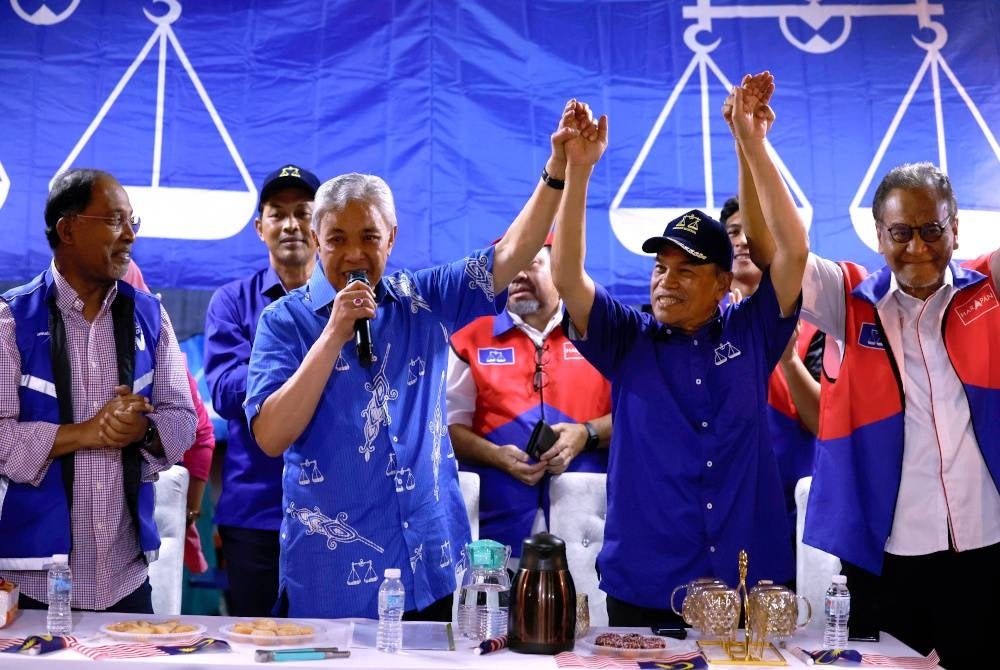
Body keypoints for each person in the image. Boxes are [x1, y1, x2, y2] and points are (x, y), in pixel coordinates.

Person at [245, 100, 607, 620]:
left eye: (369, 237)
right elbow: (271, 436)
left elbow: (513, 251)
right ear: (316, 242)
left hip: (432, 568)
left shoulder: (425, 299)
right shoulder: (285, 321)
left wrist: (559, 170)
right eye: (338, 240)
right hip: (333, 575)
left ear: (392, 238)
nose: (353, 255)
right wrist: (333, 334)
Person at [550, 73, 808, 626]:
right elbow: (567, 276)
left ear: (722, 283)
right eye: (660, 267)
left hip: (750, 584)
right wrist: (579, 171)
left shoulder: (752, 331)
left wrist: (752, 142)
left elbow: (791, 250)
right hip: (647, 586)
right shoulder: (627, 337)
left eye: (687, 270)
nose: (666, 281)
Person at [799, 161, 1000, 668]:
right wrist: (752, 146)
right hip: (882, 558)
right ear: (879, 235)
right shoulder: (846, 300)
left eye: (932, 229)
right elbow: (780, 251)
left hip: (983, 547)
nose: (918, 247)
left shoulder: (989, 289)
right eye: (901, 233)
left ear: (955, 227)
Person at [0, 168, 196, 613]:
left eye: (132, 222)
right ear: (67, 228)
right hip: (29, 579)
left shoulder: (150, 317)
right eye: (113, 220)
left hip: (126, 579)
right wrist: (88, 432)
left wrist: (142, 433)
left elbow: (184, 420)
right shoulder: (11, 321)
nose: (129, 235)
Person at [447, 231, 612, 561]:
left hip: (590, 524)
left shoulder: (604, 329)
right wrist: (496, 455)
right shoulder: (469, 337)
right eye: (509, 265)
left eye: (531, 263)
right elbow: (448, 429)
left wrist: (585, 434)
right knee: (499, 612)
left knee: (585, 612)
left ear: (559, 269)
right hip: (498, 524)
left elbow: (640, 416)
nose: (517, 274)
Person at [203, 164, 320, 616]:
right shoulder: (232, 302)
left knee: (335, 646)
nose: (291, 224)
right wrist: (315, 362)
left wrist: (267, 367)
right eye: (278, 213)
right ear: (260, 227)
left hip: (335, 511)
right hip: (255, 510)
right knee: (252, 645)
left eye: (303, 212)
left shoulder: (349, 302)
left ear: (321, 223)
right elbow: (228, 392)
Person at [720, 197, 822, 540]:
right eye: (733, 231)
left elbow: (823, 421)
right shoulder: (700, 326)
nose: (742, 240)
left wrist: (788, 358)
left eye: (754, 231)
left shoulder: (814, 324)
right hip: (721, 507)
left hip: (796, 513)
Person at [124, 259, 215, 574]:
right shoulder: (52, 334)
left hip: (150, 517)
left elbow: (201, 433)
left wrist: (188, 515)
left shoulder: (155, 339)